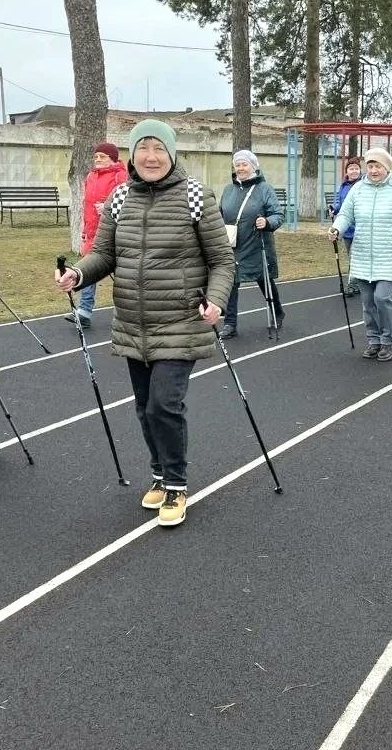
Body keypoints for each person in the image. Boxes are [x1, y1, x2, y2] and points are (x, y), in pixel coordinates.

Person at [55, 120, 235, 528]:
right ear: (132, 155)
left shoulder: (195, 196)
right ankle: (158, 472)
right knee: (143, 407)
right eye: (143, 148)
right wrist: (78, 275)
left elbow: (223, 261)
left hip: (182, 320)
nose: (150, 157)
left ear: (171, 154)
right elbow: (103, 254)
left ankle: (176, 483)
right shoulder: (120, 198)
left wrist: (217, 301)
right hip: (134, 323)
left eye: (158, 148)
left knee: (164, 404)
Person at [329, 148, 392, 363]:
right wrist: (336, 229)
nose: (373, 170)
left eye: (378, 166)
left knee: (382, 297)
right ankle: (374, 340)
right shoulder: (358, 189)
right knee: (368, 302)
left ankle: (388, 341)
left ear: (386, 167)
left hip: (390, 256)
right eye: (370, 166)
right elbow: (346, 214)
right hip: (362, 255)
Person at [218, 149, 285, 339]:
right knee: (230, 282)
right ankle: (230, 324)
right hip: (233, 244)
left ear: (253, 166)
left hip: (257, 244)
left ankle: (277, 312)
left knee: (264, 280)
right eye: (237, 165)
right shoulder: (228, 190)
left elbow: (278, 215)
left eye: (244, 164)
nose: (240, 168)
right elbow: (220, 214)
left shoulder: (264, 188)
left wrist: (267, 222)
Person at [65, 142, 128, 328]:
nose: (98, 160)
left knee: (123, 276)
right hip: (94, 233)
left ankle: (125, 313)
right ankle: (84, 312)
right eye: (96, 156)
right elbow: (87, 207)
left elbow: (129, 202)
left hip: (116, 233)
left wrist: (109, 206)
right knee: (87, 272)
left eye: (103, 156)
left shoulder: (121, 176)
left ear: (112, 158)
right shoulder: (91, 176)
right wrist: (85, 231)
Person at [331, 157, 363, 297]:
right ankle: (358, 282)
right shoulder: (343, 186)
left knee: (356, 257)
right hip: (347, 229)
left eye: (356, 168)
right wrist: (334, 208)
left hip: (361, 227)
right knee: (352, 256)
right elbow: (341, 204)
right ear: (347, 171)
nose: (354, 171)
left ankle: (353, 284)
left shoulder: (364, 184)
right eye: (351, 169)